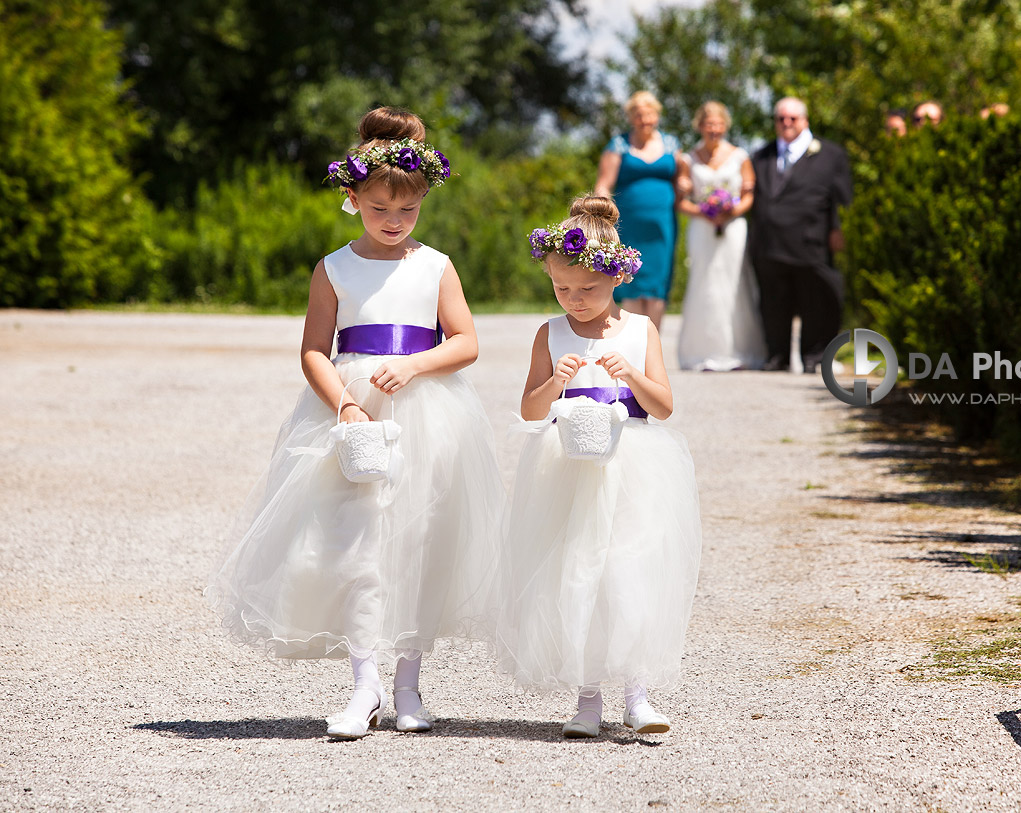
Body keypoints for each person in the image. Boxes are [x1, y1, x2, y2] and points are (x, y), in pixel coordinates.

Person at [206, 107, 503, 740]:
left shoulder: (435, 265)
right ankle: (364, 684)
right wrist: (342, 399)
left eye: (407, 211)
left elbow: (467, 340)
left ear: (422, 201)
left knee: (419, 540)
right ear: (353, 198)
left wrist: (417, 364)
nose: (394, 223)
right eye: (378, 210)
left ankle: (409, 683)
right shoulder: (334, 267)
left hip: (426, 408)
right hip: (352, 409)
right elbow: (314, 348)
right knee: (357, 543)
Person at [497, 196, 701, 738]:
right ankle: (587, 699)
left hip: (632, 468)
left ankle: (638, 695)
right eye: (562, 289)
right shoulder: (550, 333)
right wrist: (552, 381)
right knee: (576, 572)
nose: (574, 300)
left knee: (629, 570)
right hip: (567, 471)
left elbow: (663, 406)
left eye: (586, 289)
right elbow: (530, 410)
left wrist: (633, 375)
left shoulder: (640, 332)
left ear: (615, 278)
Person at [749, 96, 853, 373]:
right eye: (781, 118)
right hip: (770, 243)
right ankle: (777, 355)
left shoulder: (831, 155)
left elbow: (842, 199)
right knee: (773, 301)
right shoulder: (761, 155)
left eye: (792, 118)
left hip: (812, 241)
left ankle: (815, 357)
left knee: (816, 299)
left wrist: (838, 230)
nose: (786, 123)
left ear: (804, 121)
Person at [675, 101, 767, 371]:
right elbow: (681, 201)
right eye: (708, 124)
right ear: (700, 126)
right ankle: (702, 352)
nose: (714, 129)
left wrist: (730, 211)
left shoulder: (740, 156)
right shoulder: (688, 159)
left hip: (733, 227)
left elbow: (750, 195)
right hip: (702, 227)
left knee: (736, 282)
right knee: (704, 283)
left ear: (725, 126)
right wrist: (704, 212)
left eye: (718, 124)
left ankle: (740, 351)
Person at [594, 91, 683, 330]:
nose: (645, 120)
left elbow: (682, 180)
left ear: (657, 115)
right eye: (639, 115)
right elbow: (604, 183)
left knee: (658, 280)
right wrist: (600, 212)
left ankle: (653, 341)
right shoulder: (619, 144)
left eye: (650, 114)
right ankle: (631, 339)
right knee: (629, 276)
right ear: (631, 117)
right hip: (627, 224)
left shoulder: (671, 144)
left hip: (662, 224)